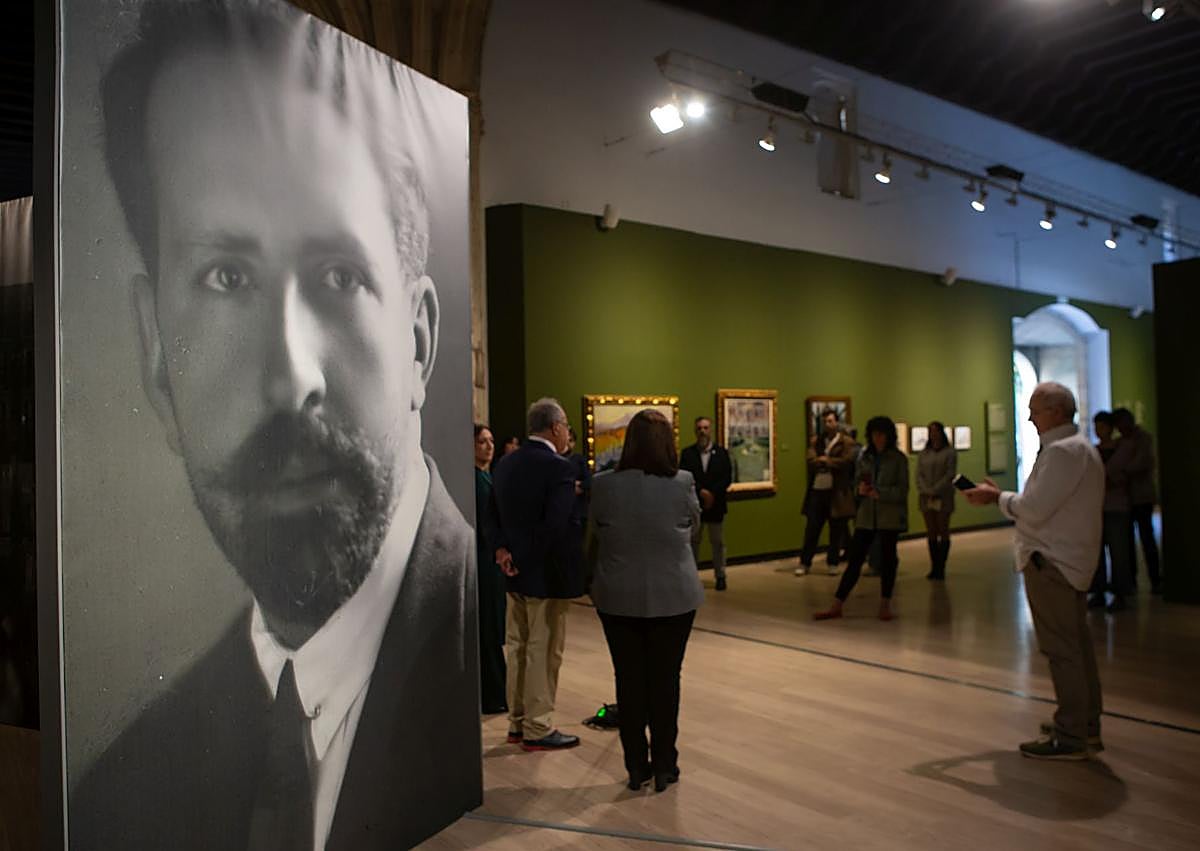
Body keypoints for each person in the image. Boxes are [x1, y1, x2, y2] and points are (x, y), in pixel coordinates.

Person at [74, 3, 481, 849]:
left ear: (417, 342)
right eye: (226, 276)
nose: (291, 375)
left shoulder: (477, 647)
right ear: (156, 355)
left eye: (338, 274)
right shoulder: (119, 796)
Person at [964, 382, 1104, 760]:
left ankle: (1072, 734)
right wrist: (1008, 499)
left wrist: (998, 498)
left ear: (1057, 412)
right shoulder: (1076, 449)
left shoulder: (1062, 453)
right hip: (1067, 559)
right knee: (1076, 646)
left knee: (1062, 649)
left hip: (1053, 562)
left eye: (1035, 410)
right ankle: (1084, 723)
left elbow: (1036, 508)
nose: (1029, 417)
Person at [588, 410, 703, 793]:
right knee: (667, 680)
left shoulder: (603, 485)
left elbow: (594, 534)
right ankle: (666, 765)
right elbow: (694, 528)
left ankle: (637, 767)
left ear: (629, 441)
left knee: (629, 680)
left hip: (618, 596)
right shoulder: (683, 482)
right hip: (675, 595)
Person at [491, 398, 584, 752]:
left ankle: (516, 722)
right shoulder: (558, 468)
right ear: (556, 427)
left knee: (516, 648)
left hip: (512, 573)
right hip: (545, 575)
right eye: (565, 428)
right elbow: (555, 526)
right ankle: (539, 726)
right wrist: (524, 558)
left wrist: (504, 553)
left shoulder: (505, 464)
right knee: (544, 652)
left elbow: (492, 516)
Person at [813, 416, 908, 621]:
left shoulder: (898, 459)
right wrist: (861, 490)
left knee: (888, 560)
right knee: (855, 559)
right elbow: (855, 483)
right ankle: (837, 604)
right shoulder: (865, 456)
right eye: (874, 434)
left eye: (881, 434)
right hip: (866, 516)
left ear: (889, 436)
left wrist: (880, 493)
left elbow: (902, 490)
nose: (878, 438)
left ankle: (885, 604)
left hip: (888, 517)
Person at [798, 409, 858, 576]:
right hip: (817, 490)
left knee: (836, 530)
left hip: (837, 492)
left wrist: (828, 461)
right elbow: (810, 459)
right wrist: (821, 461)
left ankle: (833, 562)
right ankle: (805, 562)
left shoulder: (846, 442)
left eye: (830, 421)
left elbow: (847, 461)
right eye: (825, 421)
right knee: (812, 529)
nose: (828, 424)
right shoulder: (816, 442)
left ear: (837, 422)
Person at [679, 416, 734, 590]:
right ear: (695, 431)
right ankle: (691, 577)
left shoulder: (722, 453)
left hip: (716, 505)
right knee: (693, 542)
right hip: (694, 504)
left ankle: (720, 575)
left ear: (711, 430)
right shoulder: (688, 454)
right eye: (699, 428)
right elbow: (685, 477)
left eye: (705, 428)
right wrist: (701, 492)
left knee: (717, 542)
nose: (702, 431)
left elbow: (726, 477)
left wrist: (712, 494)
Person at [474, 425, 508, 713]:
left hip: (492, 561)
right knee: (488, 628)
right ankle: (493, 695)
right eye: (482, 441)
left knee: (495, 627)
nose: (488, 446)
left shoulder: (488, 477)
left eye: (491, 440)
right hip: (484, 561)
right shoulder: (476, 481)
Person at [1088, 412, 1135, 613]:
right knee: (1097, 553)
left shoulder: (1122, 449)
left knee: (1119, 552)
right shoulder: (1093, 450)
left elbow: (1124, 474)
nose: (1099, 431)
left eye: (1102, 426)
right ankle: (1098, 591)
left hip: (1117, 506)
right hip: (1098, 507)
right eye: (1096, 427)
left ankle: (1120, 593)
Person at [1112, 408, 1161, 593]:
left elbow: (1141, 463)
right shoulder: (1121, 443)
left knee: (1146, 538)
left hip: (1141, 497)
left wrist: (1121, 473)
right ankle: (1130, 580)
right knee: (1127, 542)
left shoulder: (1143, 439)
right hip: (1126, 498)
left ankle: (1155, 579)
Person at [916, 421, 956, 580]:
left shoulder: (950, 452)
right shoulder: (924, 453)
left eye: (936, 431)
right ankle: (934, 566)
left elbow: (949, 474)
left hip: (943, 497)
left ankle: (941, 566)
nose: (933, 434)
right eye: (930, 431)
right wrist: (926, 490)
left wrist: (935, 490)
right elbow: (918, 475)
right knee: (931, 531)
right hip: (926, 498)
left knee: (943, 529)